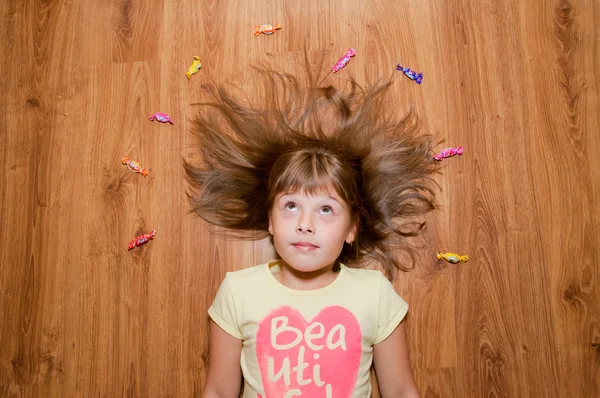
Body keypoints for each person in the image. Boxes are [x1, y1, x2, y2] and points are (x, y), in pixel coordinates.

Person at [185, 60, 438, 397]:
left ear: (351, 229)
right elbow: (217, 390)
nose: (305, 225)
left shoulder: (375, 294)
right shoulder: (238, 291)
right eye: (291, 206)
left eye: (326, 210)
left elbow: (402, 390)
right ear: (271, 220)